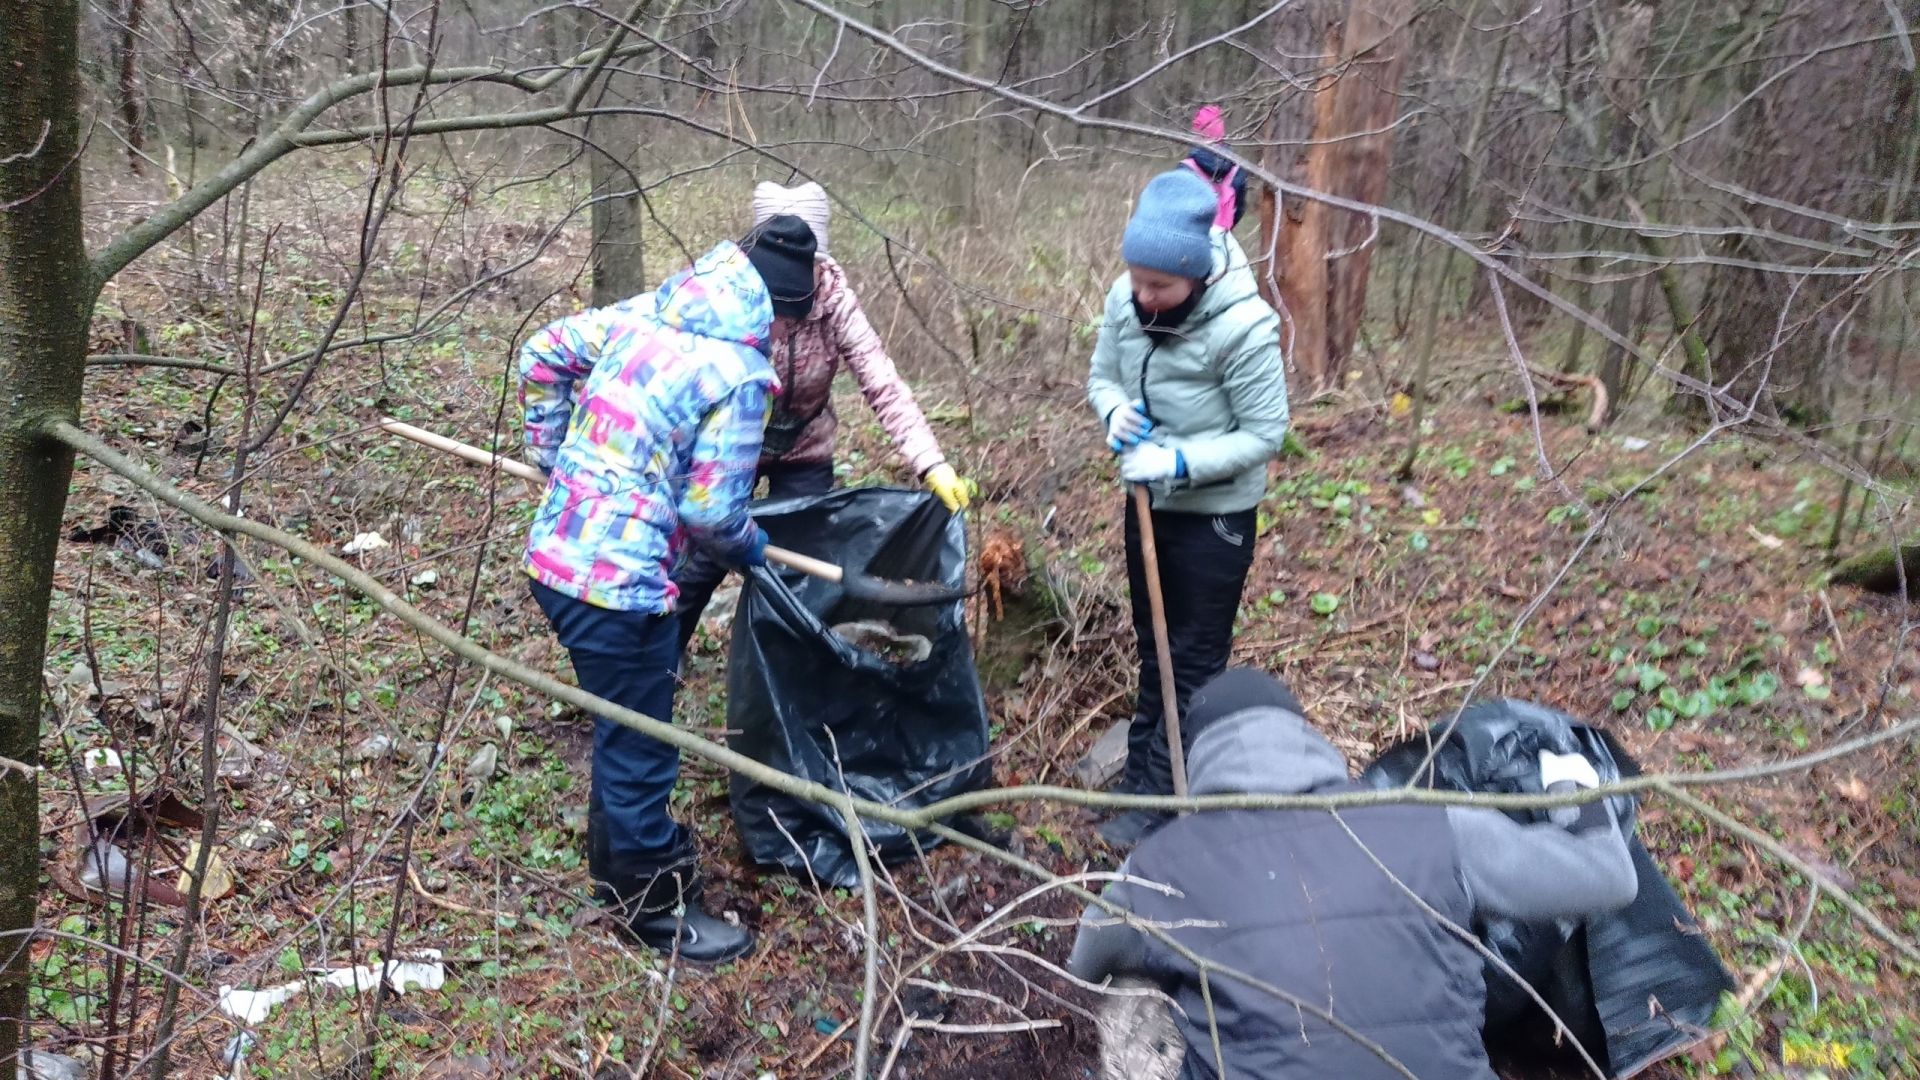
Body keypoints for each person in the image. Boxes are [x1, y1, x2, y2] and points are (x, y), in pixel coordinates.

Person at [1067, 668, 1642, 1080]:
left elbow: (1084, 963)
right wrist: (1573, 781)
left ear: (1199, 764)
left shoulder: (1162, 865)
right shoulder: (1432, 823)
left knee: (1133, 986)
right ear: (1305, 737)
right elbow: (1608, 876)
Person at [517, 215, 821, 964]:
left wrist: (555, 458)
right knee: (643, 743)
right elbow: (714, 514)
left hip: (556, 562)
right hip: (617, 586)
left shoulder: (646, 315)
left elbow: (543, 351)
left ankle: (612, 872)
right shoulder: (741, 376)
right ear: (780, 314)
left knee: (625, 719)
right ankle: (655, 912)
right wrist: (756, 551)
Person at [672, 180, 973, 658]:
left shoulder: (836, 303)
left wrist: (930, 462)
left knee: (804, 566)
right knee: (701, 560)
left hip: (804, 450)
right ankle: (664, 656)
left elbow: (883, 382)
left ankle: (791, 668)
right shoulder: (729, 298)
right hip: (733, 446)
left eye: (808, 264)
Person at [1086, 168, 1290, 847]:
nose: (1143, 296)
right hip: (1147, 503)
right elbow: (1103, 375)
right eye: (1136, 279)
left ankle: (1171, 800)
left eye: (1159, 287)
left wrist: (1178, 460)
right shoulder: (1126, 298)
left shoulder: (1243, 327)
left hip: (1215, 516)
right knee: (1153, 649)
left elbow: (1265, 435)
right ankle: (1140, 778)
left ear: (1196, 277)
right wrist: (1114, 412)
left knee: (1192, 658)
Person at [1183, 104, 1247, 231]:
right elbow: (1239, 209)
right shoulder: (1237, 170)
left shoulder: (1186, 168)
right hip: (1222, 237)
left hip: (1191, 236)